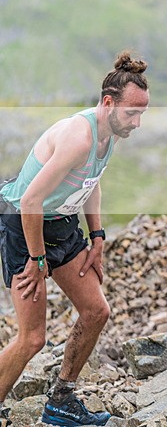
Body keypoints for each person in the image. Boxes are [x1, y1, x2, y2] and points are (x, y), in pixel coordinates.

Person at [0, 51, 149, 426]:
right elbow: (31, 201)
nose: (138, 122)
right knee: (32, 339)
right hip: (24, 224)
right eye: (133, 112)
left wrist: (97, 236)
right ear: (108, 102)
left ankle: (61, 401)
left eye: (142, 113)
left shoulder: (110, 133)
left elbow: (90, 184)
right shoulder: (78, 137)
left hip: (63, 225)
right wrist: (37, 261)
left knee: (97, 311)